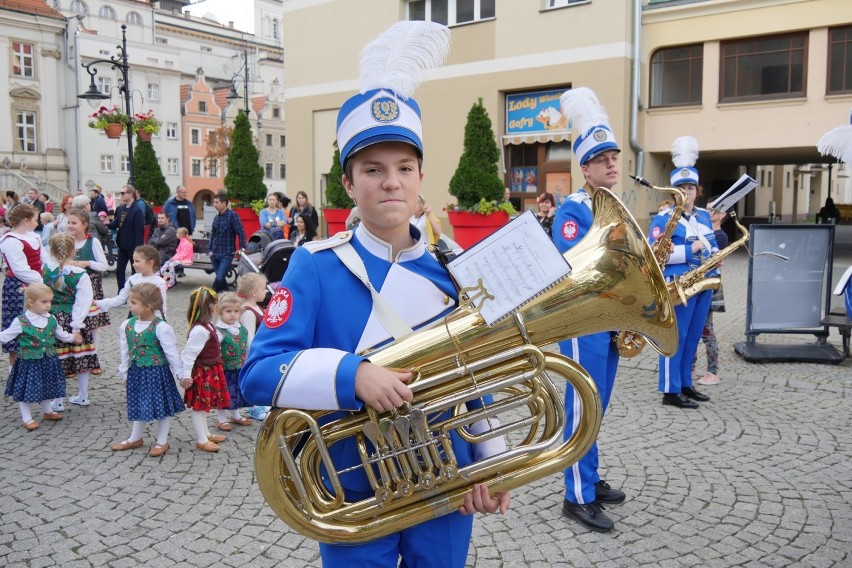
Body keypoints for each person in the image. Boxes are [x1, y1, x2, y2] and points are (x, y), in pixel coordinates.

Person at [240, 21, 509, 567]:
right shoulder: (314, 267)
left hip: (445, 478)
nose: (391, 182)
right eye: (373, 169)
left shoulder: (452, 270)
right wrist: (351, 375)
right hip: (350, 484)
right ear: (347, 183)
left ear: (420, 178)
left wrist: (492, 462)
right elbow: (258, 374)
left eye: (404, 168)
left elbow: (474, 376)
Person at [552, 87, 626, 533]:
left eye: (614, 157)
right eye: (602, 159)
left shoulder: (613, 207)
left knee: (598, 405)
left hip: (609, 317)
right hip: (583, 319)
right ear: (585, 168)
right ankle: (575, 495)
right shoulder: (574, 210)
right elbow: (577, 265)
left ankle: (591, 479)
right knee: (583, 406)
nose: (612, 164)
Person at [649, 135, 718, 410]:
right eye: (681, 188)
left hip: (702, 283)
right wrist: (691, 250)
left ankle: (685, 383)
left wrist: (713, 256)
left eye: (690, 187)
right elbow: (656, 255)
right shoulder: (663, 219)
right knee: (674, 336)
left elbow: (711, 245)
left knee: (692, 335)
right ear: (673, 192)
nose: (686, 192)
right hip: (676, 283)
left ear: (697, 190)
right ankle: (670, 389)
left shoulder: (703, 216)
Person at [111, 283, 184, 457]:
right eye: (130, 301)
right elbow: (125, 350)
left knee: (162, 406)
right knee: (138, 403)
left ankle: (162, 440)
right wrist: (125, 372)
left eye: (134, 302)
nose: (130, 305)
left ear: (148, 306)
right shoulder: (127, 325)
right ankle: (135, 437)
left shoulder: (161, 327)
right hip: (137, 372)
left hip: (157, 373)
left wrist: (180, 374)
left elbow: (171, 353)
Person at [0, 283, 77, 430]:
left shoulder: (51, 318)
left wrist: (73, 338)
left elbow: (60, 334)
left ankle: (47, 411)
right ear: (30, 303)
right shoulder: (21, 321)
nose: (49, 305)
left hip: (49, 360)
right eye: (44, 302)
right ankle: (27, 418)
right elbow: (5, 336)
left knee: (48, 386)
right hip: (29, 362)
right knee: (25, 389)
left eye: (50, 301)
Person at [43, 233, 100, 410]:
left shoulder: (46, 270)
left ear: (51, 251)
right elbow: (82, 303)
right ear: (74, 251)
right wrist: (76, 327)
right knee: (80, 358)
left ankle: (58, 400)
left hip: (52, 320)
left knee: (57, 360)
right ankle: (83, 395)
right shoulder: (80, 275)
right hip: (74, 320)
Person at [179, 287, 229, 452]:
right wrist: (185, 376)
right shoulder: (200, 330)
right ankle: (201, 439)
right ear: (210, 307)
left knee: (205, 405)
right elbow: (189, 355)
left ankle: (206, 434)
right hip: (203, 373)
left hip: (210, 371)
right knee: (199, 406)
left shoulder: (208, 326)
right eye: (215, 304)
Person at [67, 209, 111, 376]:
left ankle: (93, 361)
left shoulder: (92, 242)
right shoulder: (66, 241)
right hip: (71, 287)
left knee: (92, 326)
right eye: (69, 222)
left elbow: (103, 265)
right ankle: (71, 361)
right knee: (71, 323)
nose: (70, 226)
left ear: (84, 225)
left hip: (91, 287)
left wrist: (86, 263)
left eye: (74, 223)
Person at [0, 203, 43, 369]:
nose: (37, 223)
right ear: (26, 220)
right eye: (35, 219)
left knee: (37, 323)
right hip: (18, 286)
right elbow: (19, 269)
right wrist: (40, 281)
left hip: (36, 284)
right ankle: (14, 370)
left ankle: (33, 366)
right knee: (17, 325)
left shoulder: (34, 236)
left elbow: (42, 259)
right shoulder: (10, 241)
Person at [694, 209, 729, 386]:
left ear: (722, 215)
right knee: (694, 329)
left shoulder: (720, 237)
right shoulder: (703, 231)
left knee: (706, 331)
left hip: (709, 287)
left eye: (714, 210)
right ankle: (690, 368)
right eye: (707, 208)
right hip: (698, 287)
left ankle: (713, 372)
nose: (708, 212)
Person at [97, 245, 168, 321]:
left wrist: (161, 323)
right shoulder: (133, 279)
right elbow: (121, 299)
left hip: (151, 321)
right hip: (134, 319)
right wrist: (98, 303)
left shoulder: (159, 283)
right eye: (133, 261)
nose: (133, 264)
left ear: (150, 263)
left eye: (137, 261)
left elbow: (161, 307)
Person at [213, 292, 252, 428]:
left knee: (236, 391)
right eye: (228, 311)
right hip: (225, 369)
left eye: (236, 311)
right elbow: (214, 349)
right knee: (224, 392)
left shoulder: (241, 329)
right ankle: (221, 418)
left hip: (239, 366)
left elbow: (246, 346)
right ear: (220, 312)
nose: (232, 314)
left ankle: (235, 415)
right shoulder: (218, 331)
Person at [238, 273, 271, 421]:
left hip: (261, 349)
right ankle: (253, 407)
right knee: (253, 379)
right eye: (263, 289)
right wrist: (254, 353)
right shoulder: (248, 312)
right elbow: (249, 335)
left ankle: (261, 403)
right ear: (254, 292)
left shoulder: (257, 308)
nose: (266, 292)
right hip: (253, 352)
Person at [209, 191, 246, 293]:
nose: (214, 205)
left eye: (217, 202)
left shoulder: (232, 216)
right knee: (221, 280)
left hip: (227, 253)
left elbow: (241, 232)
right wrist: (210, 249)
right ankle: (225, 295)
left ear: (224, 203)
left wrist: (242, 248)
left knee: (220, 278)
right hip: (215, 254)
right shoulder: (216, 217)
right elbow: (213, 234)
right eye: (214, 202)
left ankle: (211, 294)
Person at [110, 185, 146, 291]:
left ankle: (135, 292)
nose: (121, 195)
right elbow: (116, 223)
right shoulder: (122, 208)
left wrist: (137, 250)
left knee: (135, 271)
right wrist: (102, 225)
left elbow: (139, 232)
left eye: (123, 193)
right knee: (120, 271)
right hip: (122, 245)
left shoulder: (137, 210)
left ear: (131, 194)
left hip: (132, 247)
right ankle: (121, 293)